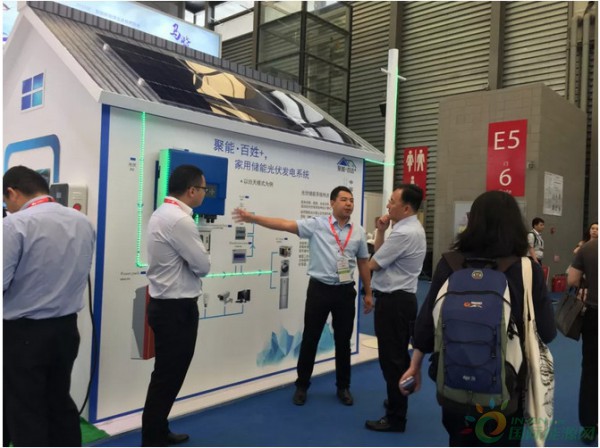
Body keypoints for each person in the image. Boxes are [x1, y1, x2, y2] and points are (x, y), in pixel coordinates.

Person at [399, 191, 556, 446]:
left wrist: (414, 366)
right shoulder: (527, 270)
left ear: (473, 221)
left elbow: (426, 322)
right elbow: (547, 332)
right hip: (506, 389)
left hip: (453, 383)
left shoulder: (449, 263)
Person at [233, 186, 373, 406]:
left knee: (343, 341)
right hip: (320, 289)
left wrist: (369, 292)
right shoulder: (317, 225)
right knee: (310, 339)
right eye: (344, 199)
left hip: (345, 291)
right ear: (332, 202)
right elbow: (284, 224)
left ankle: (343, 387)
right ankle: (302, 386)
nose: (349, 204)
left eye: (351, 200)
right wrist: (253, 219)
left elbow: (363, 262)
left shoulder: (358, 232)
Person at [3, 165, 95, 447]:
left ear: (12, 193)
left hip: (24, 333)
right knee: (59, 400)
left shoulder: (14, 225)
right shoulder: (82, 221)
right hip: (66, 329)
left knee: (26, 407)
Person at [142, 165, 211, 446]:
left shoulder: (162, 213)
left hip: (165, 306)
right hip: (176, 310)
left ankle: (158, 429)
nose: (205, 193)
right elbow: (203, 266)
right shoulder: (180, 220)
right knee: (168, 376)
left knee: (166, 375)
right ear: (192, 190)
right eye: (204, 189)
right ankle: (152, 437)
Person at [364, 184, 426, 433]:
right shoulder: (406, 228)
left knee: (393, 360)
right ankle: (396, 400)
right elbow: (382, 253)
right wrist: (380, 231)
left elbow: (374, 263)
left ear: (406, 208)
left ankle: (396, 417)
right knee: (397, 356)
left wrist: (356, 262)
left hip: (395, 303)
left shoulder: (405, 233)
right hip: (399, 301)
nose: (388, 205)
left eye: (392, 201)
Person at [568, 238, 598, 445]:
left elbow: (572, 280)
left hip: (594, 315)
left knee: (591, 371)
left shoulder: (588, 248)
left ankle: (589, 426)